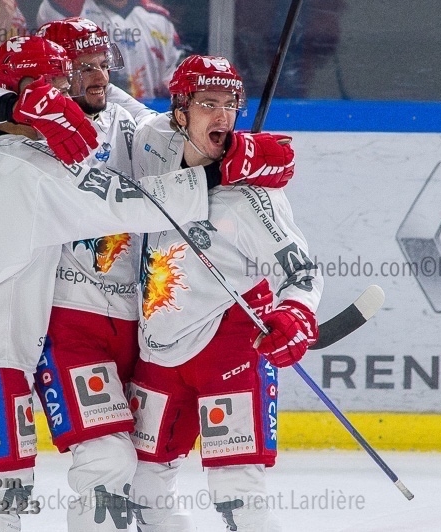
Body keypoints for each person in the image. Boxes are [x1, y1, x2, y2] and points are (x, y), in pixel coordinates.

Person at [0, 35, 291, 532]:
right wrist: (219, 174)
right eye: (57, 83)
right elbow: (135, 205)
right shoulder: (41, 172)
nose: (68, 92)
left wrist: (17, 104)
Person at [127, 55, 324, 531]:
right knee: (143, 491)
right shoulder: (151, 146)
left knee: (238, 495)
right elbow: (113, 108)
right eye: (207, 103)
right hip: (157, 347)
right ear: (179, 111)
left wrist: (295, 314)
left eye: (230, 104)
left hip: (229, 347)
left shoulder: (253, 196)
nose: (222, 115)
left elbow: (301, 270)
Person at [36, 0, 183, 99]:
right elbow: (52, 75)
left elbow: (172, 79)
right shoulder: (62, 7)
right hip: (85, 114)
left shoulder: (159, 17)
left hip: (146, 116)